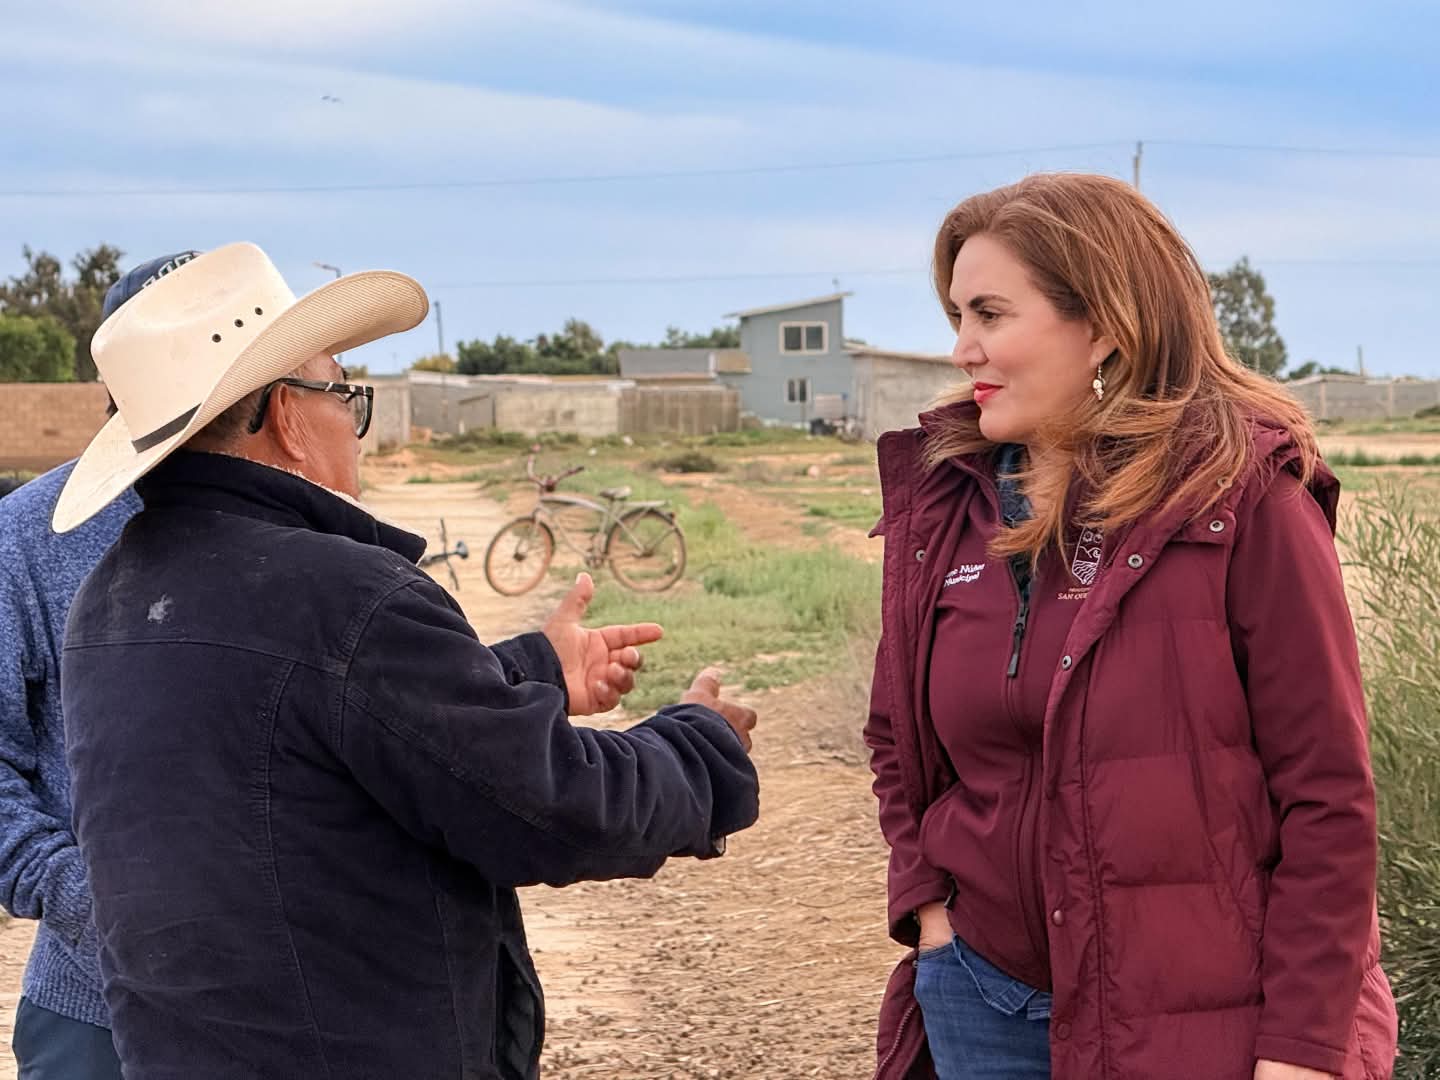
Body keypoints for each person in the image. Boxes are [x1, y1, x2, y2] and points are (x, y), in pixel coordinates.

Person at [54, 242, 760, 1079]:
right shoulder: (344, 594)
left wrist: (530, 666)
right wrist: (701, 747)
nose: (353, 420)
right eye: (344, 391)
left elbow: (305, 732)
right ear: (286, 414)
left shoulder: (109, 598)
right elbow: (550, 806)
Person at [865, 174, 1396, 1080]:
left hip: (1198, 1018)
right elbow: (896, 737)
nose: (960, 349)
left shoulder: (1244, 498)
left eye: (990, 313)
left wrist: (1304, 1048)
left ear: (1106, 324)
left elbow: (1327, 798)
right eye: (956, 315)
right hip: (981, 996)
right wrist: (931, 912)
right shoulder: (949, 504)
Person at [0, 251, 198, 1079]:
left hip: (294, 1010)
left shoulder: (318, 533)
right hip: (94, 1016)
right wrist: (83, 898)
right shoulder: (29, 536)